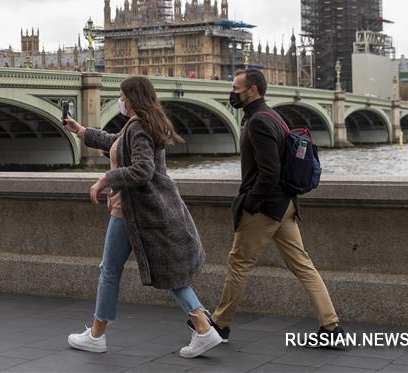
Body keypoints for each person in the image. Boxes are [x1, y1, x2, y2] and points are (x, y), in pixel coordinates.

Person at [62, 76, 222, 358]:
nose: (120, 101)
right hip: (140, 212)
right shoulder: (139, 125)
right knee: (163, 273)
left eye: (122, 96)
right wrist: (81, 130)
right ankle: (202, 327)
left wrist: (105, 178)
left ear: (133, 98)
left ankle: (99, 336)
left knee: (113, 273)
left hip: (132, 213)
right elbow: (116, 143)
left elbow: (142, 170)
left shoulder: (138, 127)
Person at [211, 68, 342, 342]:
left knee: (239, 263)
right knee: (303, 265)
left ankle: (219, 324)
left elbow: (269, 172)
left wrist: (251, 203)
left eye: (236, 88)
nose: (232, 93)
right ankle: (331, 327)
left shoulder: (258, 121)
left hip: (266, 208)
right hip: (285, 206)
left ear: (252, 90)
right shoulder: (274, 116)